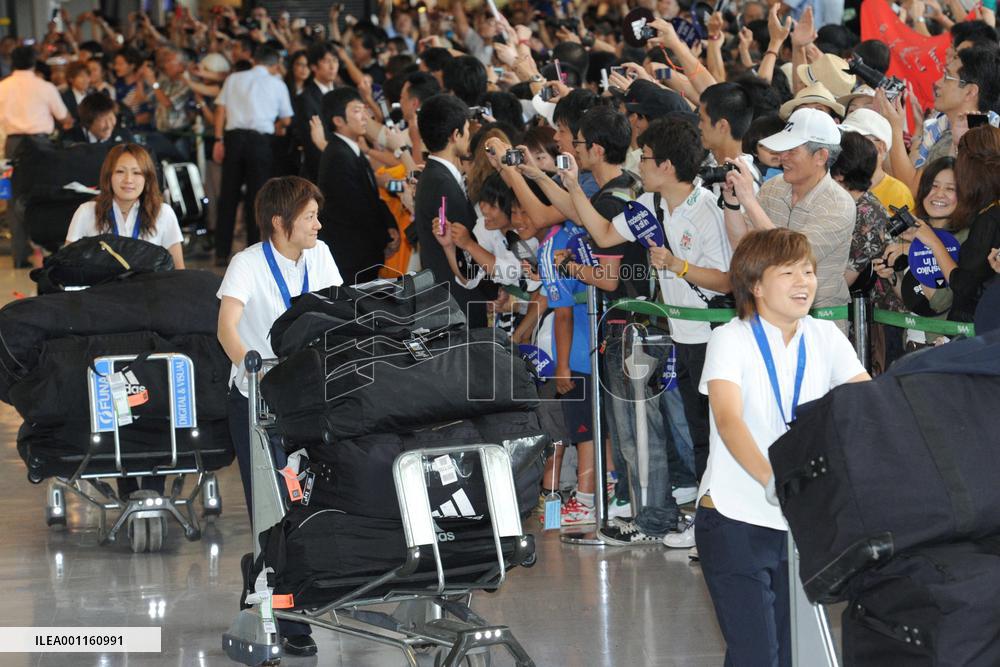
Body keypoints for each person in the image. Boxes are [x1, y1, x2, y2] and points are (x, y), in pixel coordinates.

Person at [697, 228, 869, 666]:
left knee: (795, 652)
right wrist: (771, 476)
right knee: (757, 654)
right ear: (755, 284)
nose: (803, 282)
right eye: (788, 272)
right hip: (734, 517)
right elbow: (728, 419)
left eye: (808, 271)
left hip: (801, 522)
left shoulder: (825, 336)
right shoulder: (731, 338)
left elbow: (866, 403)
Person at [216, 176, 343, 658]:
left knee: (308, 501)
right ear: (279, 221)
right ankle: (286, 613)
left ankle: (268, 580)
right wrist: (251, 367)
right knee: (272, 509)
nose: (317, 223)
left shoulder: (321, 254)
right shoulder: (246, 264)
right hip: (256, 401)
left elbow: (337, 312)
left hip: (309, 399)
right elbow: (227, 325)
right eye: (309, 216)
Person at [723, 108, 856, 320]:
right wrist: (731, 202)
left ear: (821, 156)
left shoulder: (839, 205)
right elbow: (741, 245)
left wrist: (748, 200)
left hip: (818, 323)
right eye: (782, 149)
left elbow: (792, 257)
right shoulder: (773, 187)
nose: (781, 157)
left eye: (792, 151)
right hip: (769, 315)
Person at [413, 94, 495, 327]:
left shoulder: (435, 175)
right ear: (455, 135)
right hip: (457, 300)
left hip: (448, 296)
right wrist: (491, 291)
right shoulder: (443, 183)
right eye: (467, 130)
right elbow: (465, 249)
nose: (469, 136)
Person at [212, 45, 294, 266]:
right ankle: (252, 250)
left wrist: (218, 140)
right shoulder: (278, 84)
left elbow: (220, 110)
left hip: (234, 139)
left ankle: (221, 252)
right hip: (260, 142)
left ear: (254, 59)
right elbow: (287, 119)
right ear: (275, 64)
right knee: (256, 198)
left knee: (228, 195)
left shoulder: (234, 78)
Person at [909, 126, 1000, 322]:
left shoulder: (989, 217)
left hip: (978, 331)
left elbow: (964, 285)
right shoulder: (986, 211)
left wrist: (933, 243)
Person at [315, 87, 399, 284]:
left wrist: (389, 225)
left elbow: (371, 195)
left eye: (364, 110)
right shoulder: (338, 155)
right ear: (338, 121)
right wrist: (384, 239)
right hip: (350, 254)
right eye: (356, 111)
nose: (364, 117)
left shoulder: (350, 149)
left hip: (360, 250)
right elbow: (357, 208)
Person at [0, 45, 72, 268]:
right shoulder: (45, 86)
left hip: (11, 146)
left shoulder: (2, 87)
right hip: (41, 146)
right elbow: (65, 118)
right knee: (45, 196)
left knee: (12, 199)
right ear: (35, 62)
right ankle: (50, 251)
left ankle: (19, 256)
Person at [66, 143, 184, 267]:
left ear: (147, 178)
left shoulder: (163, 213)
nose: (128, 180)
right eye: (120, 171)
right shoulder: (86, 212)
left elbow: (178, 270)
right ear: (108, 176)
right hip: (102, 286)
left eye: (137, 172)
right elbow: (66, 266)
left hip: (149, 286)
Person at [829, 131, 890, 290]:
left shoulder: (867, 217)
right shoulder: (850, 202)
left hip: (878, 310)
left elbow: (841, 284)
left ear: (839, 174)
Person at [293, 42, 339, 182]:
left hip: (341, 163)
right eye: (326, 61)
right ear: (313, 66)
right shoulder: (305, 99)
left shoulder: (340, 92)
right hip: (321, 168)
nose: (332, 66)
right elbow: (311, 143)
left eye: (335, 61)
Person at [61, 93, 132, 145]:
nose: (108, 125)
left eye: (111, 118)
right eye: (102, 120)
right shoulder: (70, 140)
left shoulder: (124, 136)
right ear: (88, 122)